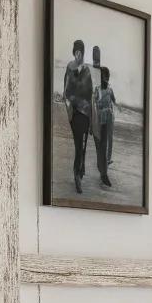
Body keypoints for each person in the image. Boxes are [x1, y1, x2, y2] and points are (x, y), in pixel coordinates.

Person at [63, 38, 93, 193]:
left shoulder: (87, 70)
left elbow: (90, 94)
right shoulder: (70, 67)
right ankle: (77, 174)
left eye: (81, 51)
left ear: (83, 52)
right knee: (78, 146)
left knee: (83, 146)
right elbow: (66, 92)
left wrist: (91, 118)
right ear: (74, 52)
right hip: (75, 113)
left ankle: (80, 171)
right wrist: (70, 111)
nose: (78, 54)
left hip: (86, 113)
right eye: (76, 51)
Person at [91, 65, 116, 187]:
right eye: (104, 76)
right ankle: (102, 171)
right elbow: (93, 106)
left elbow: (114, 101)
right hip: (98, 121)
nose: (106, 79)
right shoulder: (97, 90)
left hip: (108, 120)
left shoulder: (110, 89)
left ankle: (104, 173)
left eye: (107, 77)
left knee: (104, 147)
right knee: (100, 148)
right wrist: (91, 125)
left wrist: (112, 108)